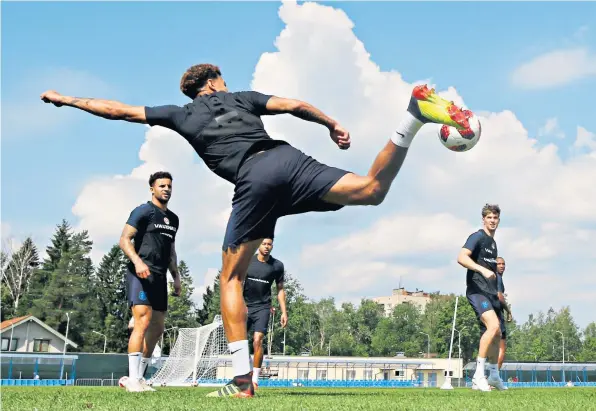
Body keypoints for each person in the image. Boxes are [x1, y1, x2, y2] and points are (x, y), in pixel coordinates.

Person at [41, 63, 474, 397]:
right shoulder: (242, 98)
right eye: (222, 80)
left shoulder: (179, 115)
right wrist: (330, 124)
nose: (226, 85)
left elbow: (117, 111)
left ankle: (242, 380)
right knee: (371, 189)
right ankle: (413, 117)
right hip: (288, 161)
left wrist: (65, 99)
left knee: (230, 276)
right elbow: (294, 105)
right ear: (210, 82)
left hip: (255, 179)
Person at [119, 171, 181, 392]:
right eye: (162, 186)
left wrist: (176, 278)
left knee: (157, 328)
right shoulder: (143, 211)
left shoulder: (173, 219)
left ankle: (139, 377)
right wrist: (137, 262)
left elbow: (171, 251)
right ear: (152, 189)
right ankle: (132, 379)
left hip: (160, 277)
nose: (166, 189)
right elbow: (124, 239)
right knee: (142, 322)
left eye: (169, 186)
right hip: (140, 274)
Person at [457, 204, 507, 392]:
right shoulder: (477, 237)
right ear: (483, 219)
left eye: (495, 218)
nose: (492, 221)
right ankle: (478, 376)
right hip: (477, 291)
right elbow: (461, 257)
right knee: (493, 327)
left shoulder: (493, 244)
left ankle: (493, 375)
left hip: (490, 293)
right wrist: (482, 269)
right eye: (489, 218)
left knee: (497, 334)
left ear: (498, 221)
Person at [242, 238, 287, 389]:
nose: (267, 247)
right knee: (240, 343)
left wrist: (283, 312)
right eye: (264, 244)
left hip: (263, 307)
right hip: (245, 306)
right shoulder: (247, 261)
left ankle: (254, 379)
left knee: (257, 340)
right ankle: (245, 371)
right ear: (258, 245)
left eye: (269, 244)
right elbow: (237, 282)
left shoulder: (277, 266)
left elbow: (280, 289)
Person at [496, 256, 513, 371]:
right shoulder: (497, 278)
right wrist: (508, 311)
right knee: (502, 348)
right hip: (497, 315)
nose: (502, 266)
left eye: (503, 264)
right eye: (499, 264)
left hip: (488, 314)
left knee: (490, 348)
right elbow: (499, 296)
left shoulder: (491, 278)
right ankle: (494, 376)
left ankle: (481, 376)